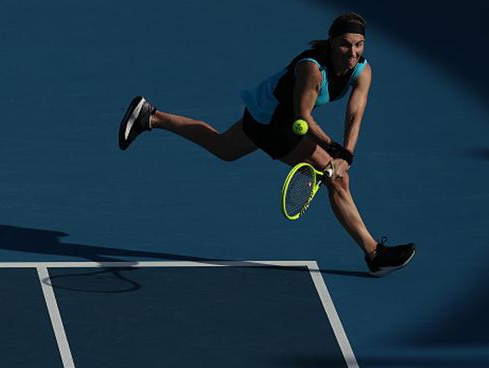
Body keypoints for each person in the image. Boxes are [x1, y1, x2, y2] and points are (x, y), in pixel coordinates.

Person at [117, 13, 415, 277]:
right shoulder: (313, 69)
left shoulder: (363, 71)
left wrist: (347, 153)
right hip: (272, 121)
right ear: (331, 42)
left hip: (272, 112)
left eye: (359, 44)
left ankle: (150, 116)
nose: (352, 52)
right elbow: (303, 118)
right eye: (345, 44)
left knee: (224, 148)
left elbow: (355, 113)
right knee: (338, 182)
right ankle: (374, 254)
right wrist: (335, 152)